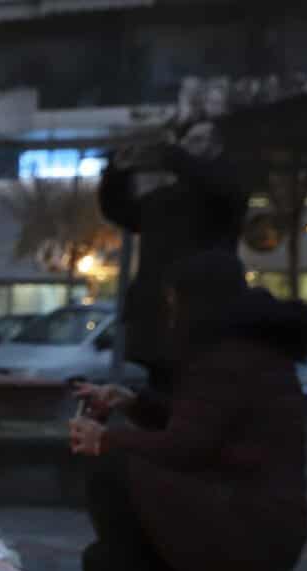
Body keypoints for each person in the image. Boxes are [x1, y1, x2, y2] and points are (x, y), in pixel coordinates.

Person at [64, 251, 307, 571]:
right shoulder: (250, 351)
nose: (171, 314)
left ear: (194, 302)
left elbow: (187, 446)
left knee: (110, 462)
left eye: (174, 302)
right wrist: (131, 402)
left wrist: (104, 438)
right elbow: (206, 428)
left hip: (249, 528)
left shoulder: (225, 359)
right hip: (265, 530)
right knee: (103, 562)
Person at [98, 121, 246, 389]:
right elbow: (120, 211)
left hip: (204, 319)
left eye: (199, 140)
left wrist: (173, 154)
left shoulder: (226, 190)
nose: (189, 147)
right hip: (158, 322)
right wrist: (116, 173)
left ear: (218, 148)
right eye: (188, 140)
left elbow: (215, 185)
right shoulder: (164, 199)